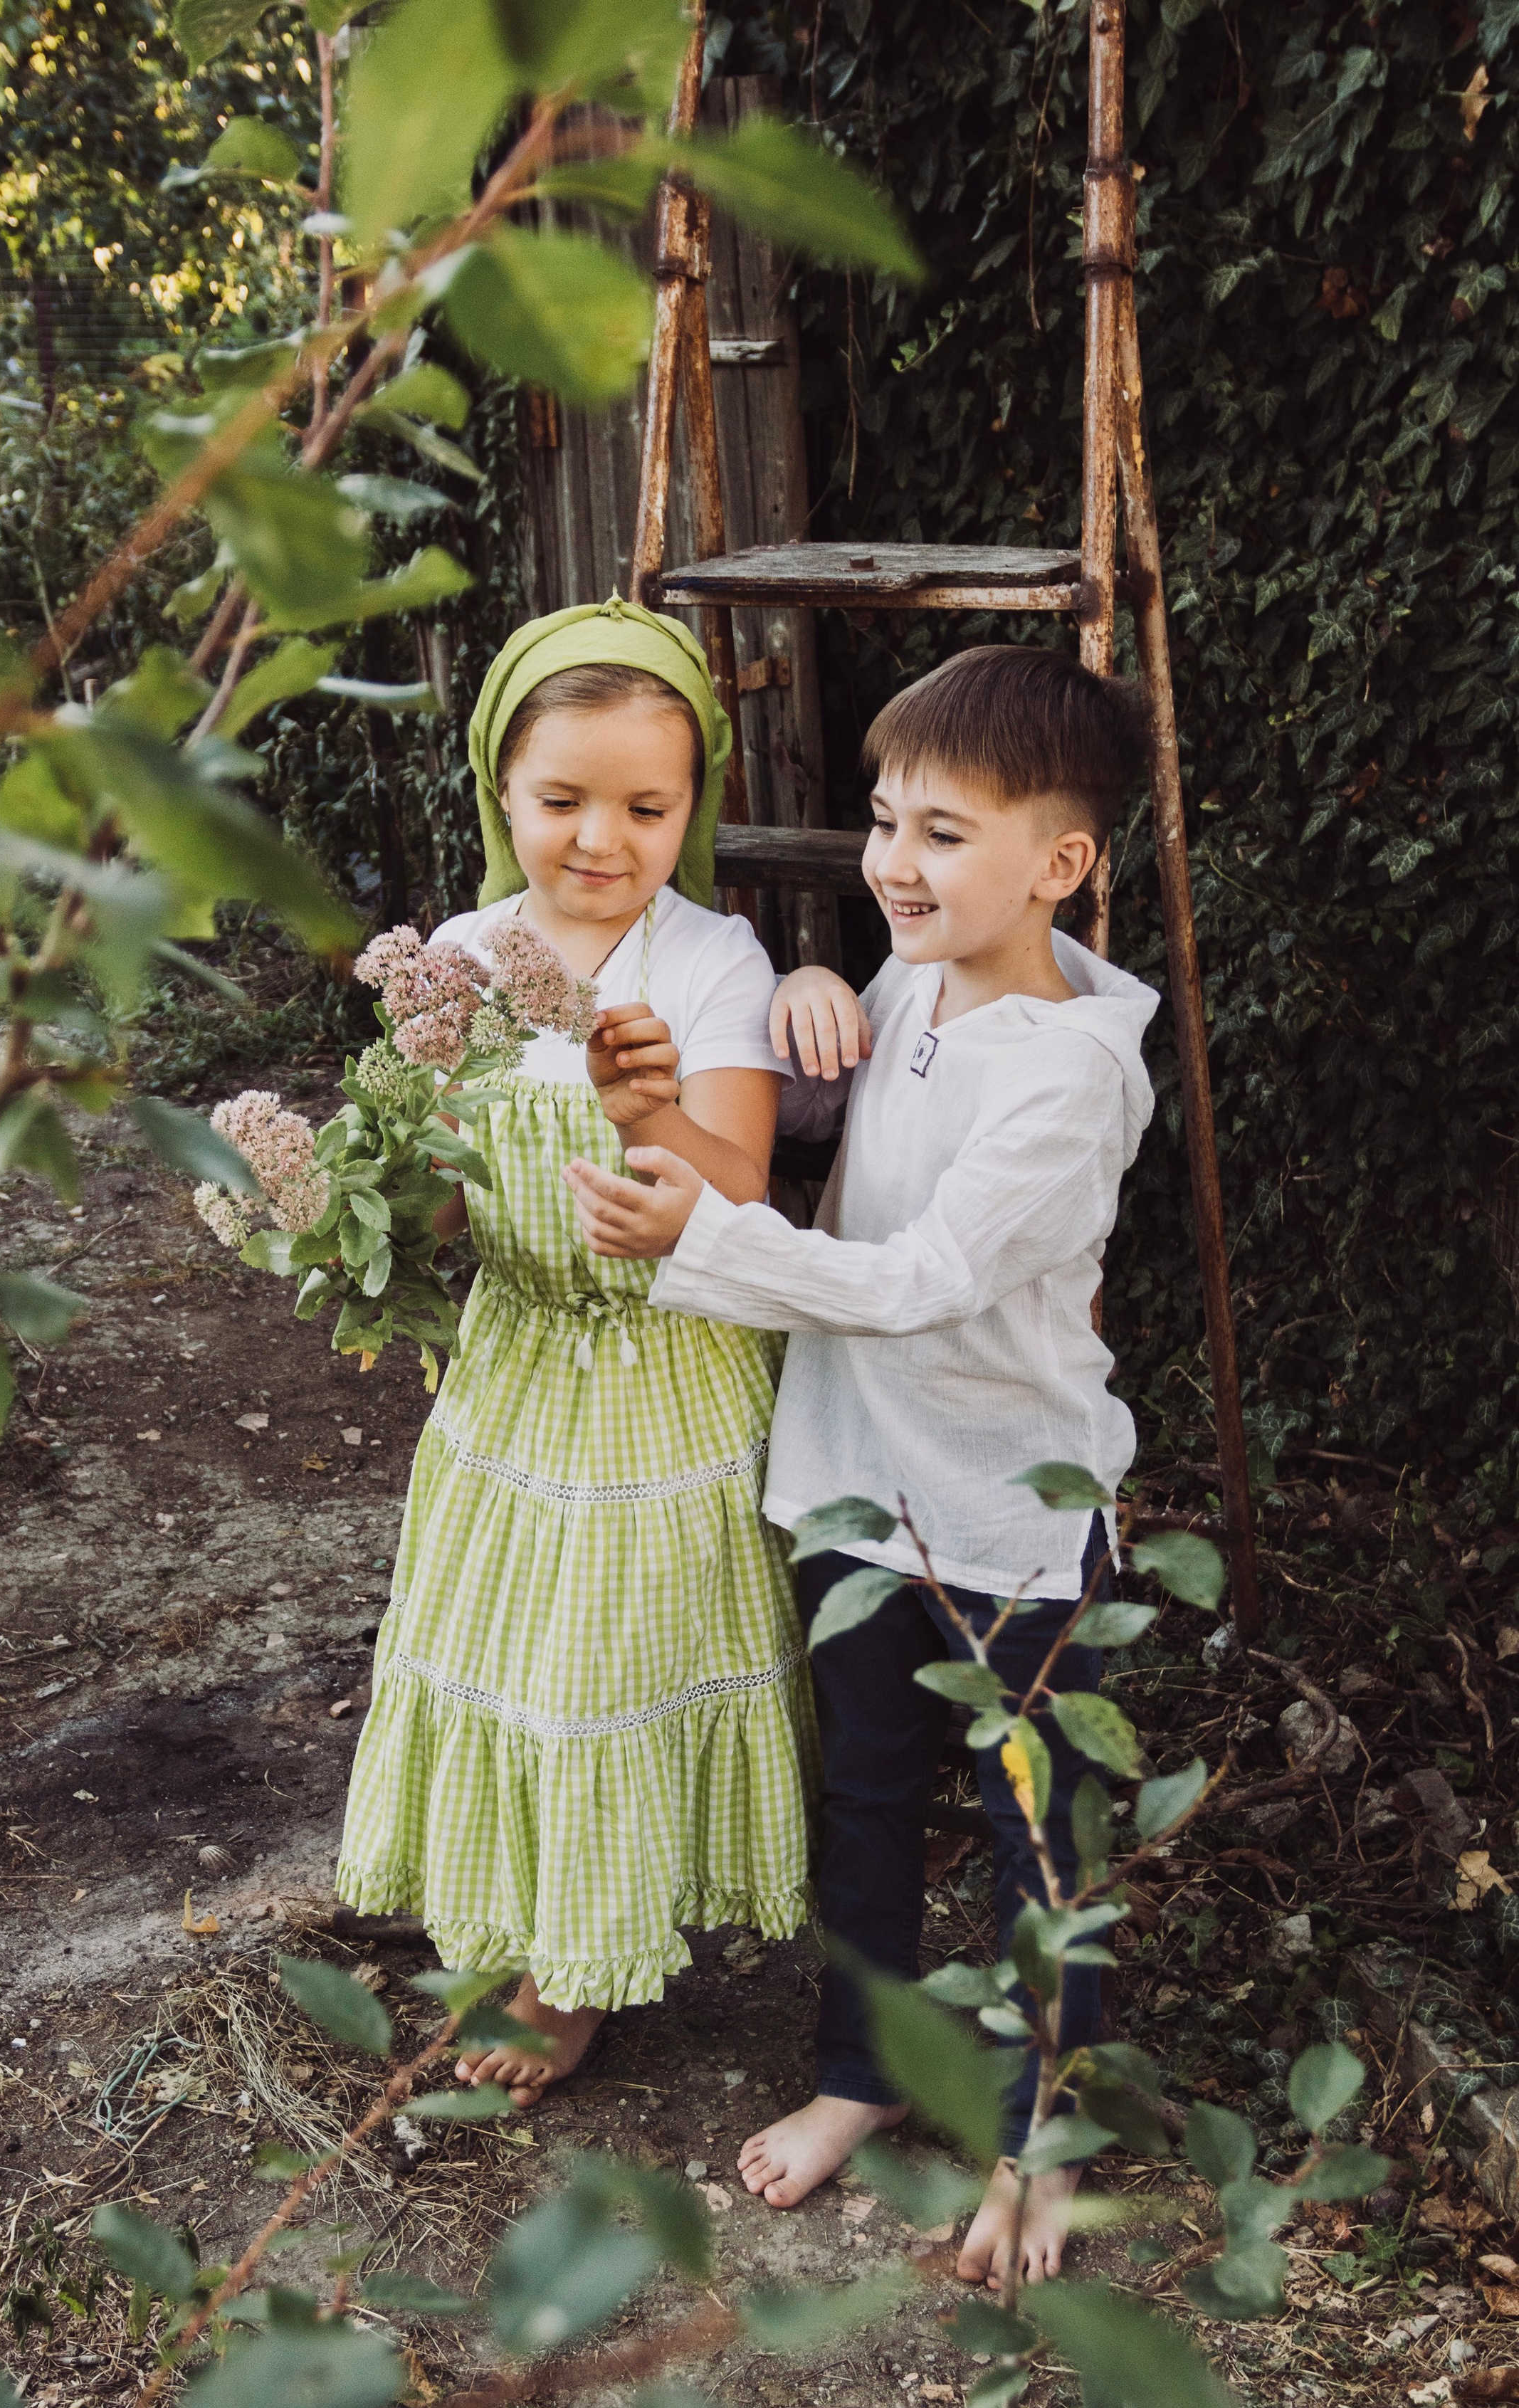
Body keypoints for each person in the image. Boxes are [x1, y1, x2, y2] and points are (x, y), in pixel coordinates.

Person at [563, 642, 1157, 2286]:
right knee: (870, 1794)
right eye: (885, 819)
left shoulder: (1068, 1077)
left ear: (1060, 862)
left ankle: (1042, 2136)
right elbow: (849, 1140)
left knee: (1036, 1830)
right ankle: (860, 2074)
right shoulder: (913, 977)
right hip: (853, 1486)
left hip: (1006, 1512)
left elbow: (912, 1285)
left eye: (944, 831)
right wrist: (799, 1010)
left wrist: (701, 1235)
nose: (895, 861)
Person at [336, 597, 814, 2105]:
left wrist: (644, 1112)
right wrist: (347, 1206)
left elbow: (738, 1189)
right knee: (505, 1648)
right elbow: (416, 1190)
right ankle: (520, 1915)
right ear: (502, 794)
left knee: (613, 1662)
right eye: (560, 800)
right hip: (520, 1358)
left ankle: (573, 1976)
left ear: (693, 810)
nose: (598, 838)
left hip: (664, 1372)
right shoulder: (463, 956)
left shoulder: (712, 961)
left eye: (644, 806)